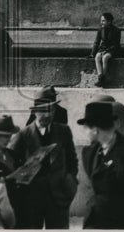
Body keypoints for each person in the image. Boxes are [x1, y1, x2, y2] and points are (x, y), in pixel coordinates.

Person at [8, 96, 78, 228]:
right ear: (34, 111)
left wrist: (71, 179)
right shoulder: (23, 134)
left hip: (59, 196)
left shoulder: (63, 131)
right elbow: (11, 162)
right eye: (43, 111)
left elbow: (71, 159)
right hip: (30, 197)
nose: (47, 114)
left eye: (51, 110)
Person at [91, 12, 121, 88]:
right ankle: (100, 77)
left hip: (113, 49)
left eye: (103, 21)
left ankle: (103, 78)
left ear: (109, 21)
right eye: (101, 20)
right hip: (103, 48)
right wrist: (93, 53)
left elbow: (116, 44)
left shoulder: (116, 30)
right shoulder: (100, 30)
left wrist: (106, 51)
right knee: (97, 57)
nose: (101, 22)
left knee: (105, 58)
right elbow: (96, 42)